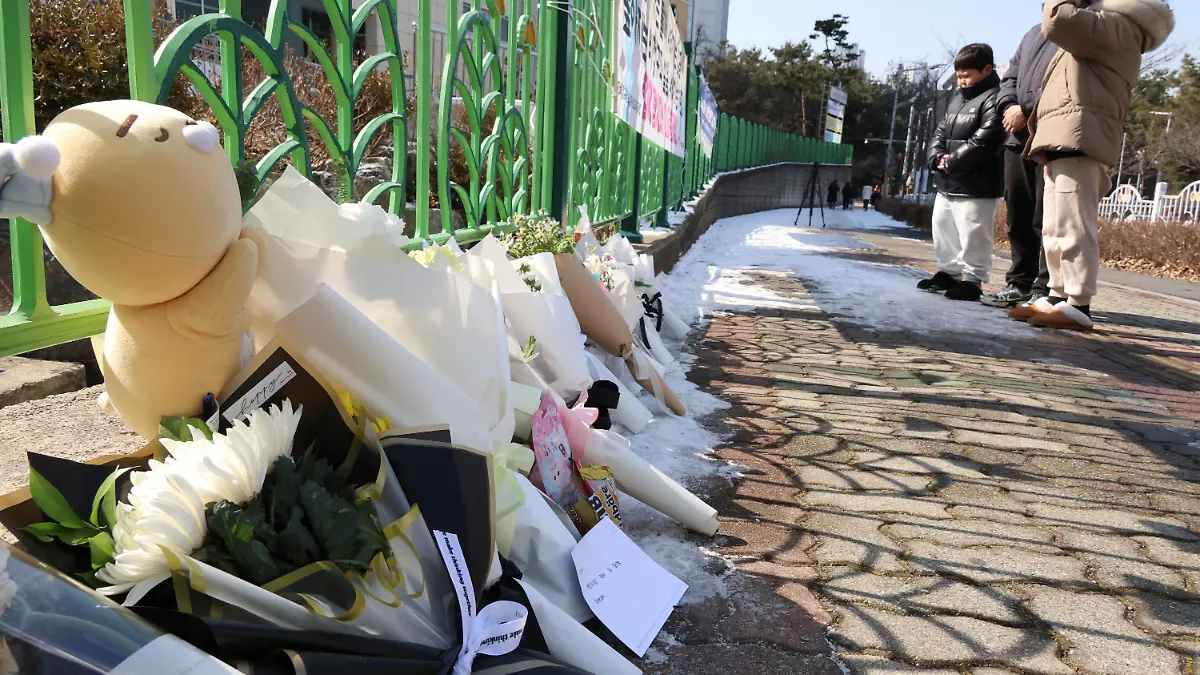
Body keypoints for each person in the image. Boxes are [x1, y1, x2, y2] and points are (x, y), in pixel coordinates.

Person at [1018, 0, 1174, 330]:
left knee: (1075, 224)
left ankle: (1078, 301)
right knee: (1055, 227)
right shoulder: (1106, 25)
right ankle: (1057, 295)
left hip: (1082, 134)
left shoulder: (1120, 26)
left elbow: (1058, 19)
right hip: (1065, 134)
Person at [917, 43, 1006, 301]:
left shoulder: (995, 98)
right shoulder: (958, 98)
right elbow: (940, 131)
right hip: (948, 181)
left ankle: (973, 279)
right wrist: (936, 157)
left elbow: (986, 140)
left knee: (973, 232)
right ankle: (948, 272)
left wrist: (952, 161)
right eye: (959, 75)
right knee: (942, 226)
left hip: (978, 183)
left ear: (987, 69)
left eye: (967, 75)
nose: (962, 81)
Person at [979, 20, 1059, 310]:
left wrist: (1027, 110)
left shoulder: (1077, 30)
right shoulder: (1033, 33)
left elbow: (1069, 84)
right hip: (1017, 138)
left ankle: (1045, 286)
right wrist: (1009, 106)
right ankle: (1018, 281)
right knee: (1019, 214)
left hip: (1052, 136)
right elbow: (1009, 78)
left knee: (1047, 218)